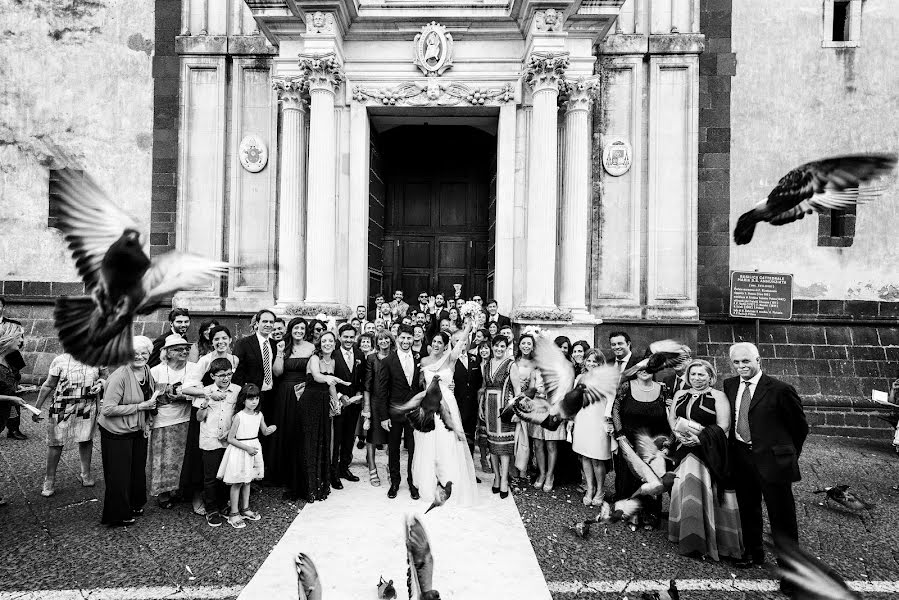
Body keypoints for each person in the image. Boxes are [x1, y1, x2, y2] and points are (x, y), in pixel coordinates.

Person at [725, 342, 808, 581]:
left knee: (782, 518)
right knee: (748, 509)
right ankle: (753, 552)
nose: (741, 366)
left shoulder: (781, 389)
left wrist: (787, 456)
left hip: (773, 461)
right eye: (736, 362)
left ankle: (790, 572)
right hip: (741, 457)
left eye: (746, 361)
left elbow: (799, 427)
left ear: (758, 360)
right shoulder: (730, 385)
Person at [667, 359, 743, 562]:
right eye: (693, 374)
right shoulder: (680, 394)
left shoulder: (718, 396)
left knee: (702, 490)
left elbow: (723, 426)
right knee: (685, 490)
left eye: (701, 374)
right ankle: (688, 534)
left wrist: (699, 439)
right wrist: (678, 434)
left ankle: (706, 539)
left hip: (707, 452)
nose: (696, 378)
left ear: (711, 376)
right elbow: (673, 417)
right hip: (683, 449)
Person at [412, 325, 478, 508]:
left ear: (446, 346)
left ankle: (449, 482)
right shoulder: (424, 361)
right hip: (429, 405)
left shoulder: (450, 360)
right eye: (434, 341)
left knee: (447, 443)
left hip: (447, 405)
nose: (436, 344)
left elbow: (461, 343)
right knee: (428, 443)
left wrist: (468, 326)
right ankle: (429, 483)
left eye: (440, 342)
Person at [98, 336, 158, 526]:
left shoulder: (147, 371)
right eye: (134, 354)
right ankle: (116, 515)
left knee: (136, 471)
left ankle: (134, 504)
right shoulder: (119, 376)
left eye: (144, 353)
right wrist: (140, 407)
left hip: (138, 429)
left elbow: (150, 396)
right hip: (116, 432)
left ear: (149, 354)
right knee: (119, 474)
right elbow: (107, 409)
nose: (139, 357)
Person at [32, 353, 106, 497]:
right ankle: (49, 479)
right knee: (55, 443)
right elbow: (48, 385)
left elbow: (105, 378)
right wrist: (37, 408)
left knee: (86, 439)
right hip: (62, 407)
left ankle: (86, 473)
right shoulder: (59, 360)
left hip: (87, 406)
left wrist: (100, 384)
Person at [611, 357, 672, 529]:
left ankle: (650, 514)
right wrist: (621, 435)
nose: (644, 371)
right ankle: (631, 513)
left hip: (653, 444)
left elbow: (670, 417)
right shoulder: (626, 387)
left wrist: (666, 444)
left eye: (648, 368)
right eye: (639, 368)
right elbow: (616, 409)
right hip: (628, 442)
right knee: (628, 478)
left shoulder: (663, 389)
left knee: (652, 479)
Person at [181, 325, 237, 514]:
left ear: (230, 339)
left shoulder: (234, 359)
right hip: (205, 412)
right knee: (201, 457)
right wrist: (209, 394)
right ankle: (198, 496)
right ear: (211, 342)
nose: (221, 342)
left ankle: (223, 499)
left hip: (227, 412)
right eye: (216, 339)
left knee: (224, 457)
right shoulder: (205, 360)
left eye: (224, 338)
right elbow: (186, 387)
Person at [147, 334, 202, 509]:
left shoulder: (194, 368)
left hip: (186, 417)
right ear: (167, 353)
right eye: (178, 349)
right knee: (164, 457)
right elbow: (150, 397)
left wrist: (184, 395)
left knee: (183, 457)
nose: (184, 351)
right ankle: (163, 493)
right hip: (163, 419)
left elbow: (200, 390)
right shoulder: (156, 371)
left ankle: (180, 489)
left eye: (186, 348)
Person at [293, 331, 346, 503]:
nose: (327, 343)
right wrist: (338, 380)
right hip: (310, 402)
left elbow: (330, 386)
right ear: (319, 343)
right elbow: (317, 376)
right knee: (310, 442)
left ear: (334, 343)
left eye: (330, 340)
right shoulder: (314, 358)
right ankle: (309, 488)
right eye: (324, 341)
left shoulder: (333, 361)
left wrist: (336, 403)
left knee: (323, 441)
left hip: (323, 404)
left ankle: (320, 484)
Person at [217, 384, 277, 528]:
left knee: (248, 480)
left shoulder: (259, 414)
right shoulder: (239, 416)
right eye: (250, 399)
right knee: (238, 481)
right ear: (243, 400)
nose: (254, 402)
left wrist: (271, 429)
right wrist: (247, 448)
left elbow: (264, 431)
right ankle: (233, 513)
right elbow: (230, 438)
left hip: (253, 449)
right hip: (240, 450)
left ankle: (245, 508)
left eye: (256, 398)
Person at [375, 325, 421, 500]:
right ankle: (395, 482)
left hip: (414, 413)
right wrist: (384, 416)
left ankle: (412, 482)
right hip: (394, 413)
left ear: (413, 339)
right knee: (393, 448)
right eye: (403, 338)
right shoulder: (388, 361)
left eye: (409, 338)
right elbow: (381, 391)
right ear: (397, 338)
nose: (406, 341)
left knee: (413, 449)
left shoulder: (419, 359)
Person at [269, 317, 315, 487]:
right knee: (285, 429)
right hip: (285, 392)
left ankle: (300, 473)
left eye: (302, 328)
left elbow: (312, 371)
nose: (299, 331)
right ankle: (282, 473)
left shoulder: (311, 347)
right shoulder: (283, 345)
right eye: (296, 328)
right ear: (291, 329)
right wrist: (280, 352)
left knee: (300, 431)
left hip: (303, 390)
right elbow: (278, 373)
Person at [197, 358, 240, 527]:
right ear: (212, 375)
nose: (225, 378)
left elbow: (239, 415)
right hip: (210, 440)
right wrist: (206, 402)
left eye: (229, 374)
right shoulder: (205, 391)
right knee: (210, 477)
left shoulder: (237, 391)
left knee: (226, 475)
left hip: (228, 440)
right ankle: (211, 509)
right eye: (221, 375)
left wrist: (231, 432)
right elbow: (199, 418)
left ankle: (223, 505)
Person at [481, 335, 520, 498]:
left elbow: (517, 391)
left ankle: (504, 479)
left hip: (504, 409)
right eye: (496, 346)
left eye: (502, 346)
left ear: (506, 347)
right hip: (489, 408)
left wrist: (516, 412)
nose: (498, 349)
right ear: (492, 346)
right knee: (493, 447)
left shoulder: (511, 365)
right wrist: (481, 406)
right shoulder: (487, 364)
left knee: (504, 448)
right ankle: (496, 477)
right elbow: (484, 387)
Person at [572, 349, 611, 506]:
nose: (591, 364)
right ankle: (590, 487)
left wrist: (608, 421)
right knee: (585, 456)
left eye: (595, 361)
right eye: (589, 360)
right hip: (582, 419)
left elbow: (610, 399)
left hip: (598, 420)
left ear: (601, 363)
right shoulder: (580, 377)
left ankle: (601, 490)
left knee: (597, 458)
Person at [331, 324, 366, 488]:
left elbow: (362, 378)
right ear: (339, 337)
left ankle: (344, 467)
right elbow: (329, 378)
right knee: (336, 438)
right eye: (345, 337)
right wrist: (339, 396)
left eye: (352, 337)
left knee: (349, 437)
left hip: (354, 404)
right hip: (337, 403)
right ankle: (333, 472)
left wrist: (358, 393)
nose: (349, 340)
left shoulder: (360, 354)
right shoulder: (333, 354)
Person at [0, 322, 30, 505]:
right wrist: (11, 399)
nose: (21, 340)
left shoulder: (8, 358)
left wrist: (16, 392)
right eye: (19, 336)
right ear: (8, 337)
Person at [363, 330, 394, 486]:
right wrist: (367, 406)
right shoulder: (371, 358)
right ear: (377, 341)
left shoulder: (395, 357)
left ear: (391, 340)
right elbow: (367, 384)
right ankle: (372, 468)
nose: (383, 341)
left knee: (390, 437)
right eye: (380, 339)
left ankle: (390, 467)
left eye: (386, 338)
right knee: (372, 436)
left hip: (391, 402)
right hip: (375, 401)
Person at [233, 309, 277, 410]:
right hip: (251, 396)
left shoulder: (275, 345)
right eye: (265, 321)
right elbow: (237, 372)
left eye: (271, 322)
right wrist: (244, 394)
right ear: (257, 323)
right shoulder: (243, 343)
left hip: (271, 395)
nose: (268, 324)